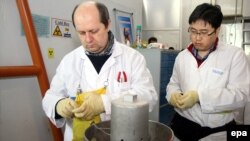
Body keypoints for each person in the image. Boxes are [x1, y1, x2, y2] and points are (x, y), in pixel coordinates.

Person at [42, 1, 158, 141]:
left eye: (93, 31)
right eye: (81, 33)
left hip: (120, 136)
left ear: (108, 24)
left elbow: (148, 96)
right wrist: (59, 105)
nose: (88, 39)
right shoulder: (69, 61)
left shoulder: (132, 58)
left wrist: (105, 102)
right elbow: (49, 98)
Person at [166, 3, 250, 141]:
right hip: (182, 125)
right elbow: (173, 84)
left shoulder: (234, 55)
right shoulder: (182, 56)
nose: (197, 38)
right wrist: (173, 95)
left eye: (203, 33)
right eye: (193, 31)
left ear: (217, 31)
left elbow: (241, 95)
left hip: (217, 131)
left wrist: (199, 97)